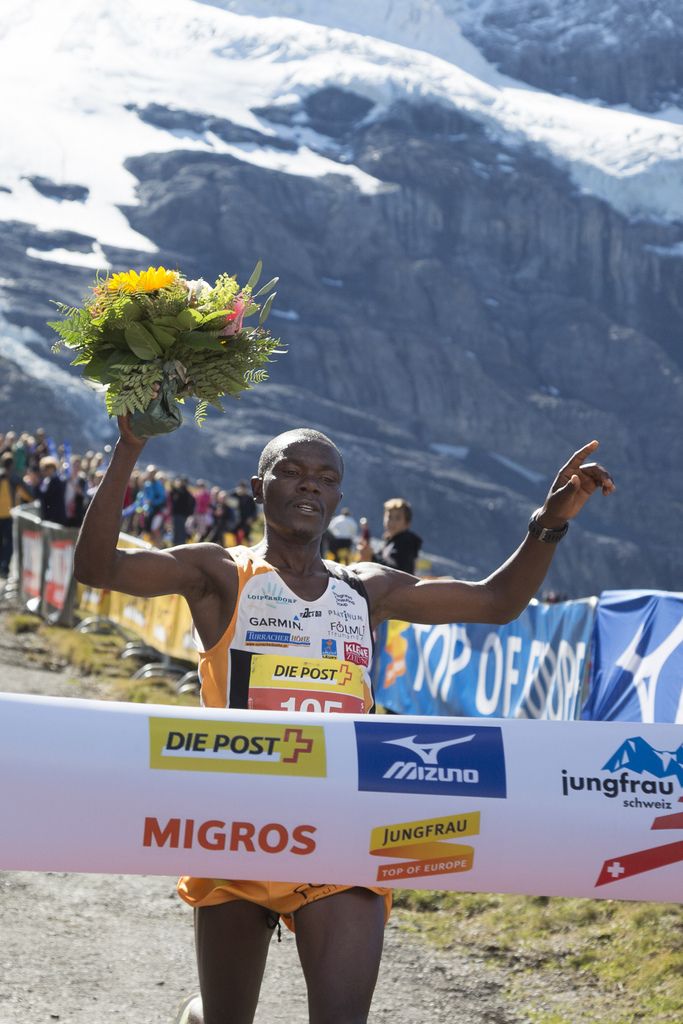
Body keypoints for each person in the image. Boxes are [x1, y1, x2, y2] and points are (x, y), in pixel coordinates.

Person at [73, 421, 614, 1024]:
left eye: (326, 478)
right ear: (259, 487)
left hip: (339, 826)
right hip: (238, 824)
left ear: (338, 500)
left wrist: (548, 522)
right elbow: (99, 568)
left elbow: (495, 602)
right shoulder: (220, 573)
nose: (311, 486)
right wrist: (131, 445)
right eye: (294, 472)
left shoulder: (363, 589)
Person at [357, 497, 422, 574]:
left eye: (398, 518)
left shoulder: (406, 542)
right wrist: (368, 554)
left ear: (407, 523)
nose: (392, 522)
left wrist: (371, 557)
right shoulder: (389, 541)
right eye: (389, 517)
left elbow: (400, 572)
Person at [0, 453, 33, 577]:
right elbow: (27, 494)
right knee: (8, 543)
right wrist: (34, 500)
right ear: (12, 464)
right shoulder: (14, 478)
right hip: (9, 515)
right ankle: (5, 568)